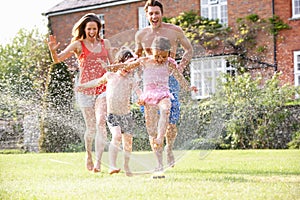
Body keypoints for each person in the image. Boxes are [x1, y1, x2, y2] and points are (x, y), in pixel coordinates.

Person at [106, 36, 197, 177]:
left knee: (166, 108)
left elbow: (180, 78)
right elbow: (126, 67)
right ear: (151, 52)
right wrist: (113, 68)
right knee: (151, 132)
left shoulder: (170, 63)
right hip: (149, 97)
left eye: (163, 56)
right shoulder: (145, 61)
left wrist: (189, 88)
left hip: (163, 93)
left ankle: (161, 137)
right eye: (157, 56)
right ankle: (159, 163)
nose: (160, 59)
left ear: (169, 53)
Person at [47, 13, 114, 173]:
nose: (92, 31)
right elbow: (58, 59)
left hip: (103, 89)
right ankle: (89, 155)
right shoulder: (78, 44)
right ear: (84, 29)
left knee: (100, 122)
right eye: (89, 28)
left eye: (94, 28)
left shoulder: (106, 43)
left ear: (99, 29)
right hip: (85, 90)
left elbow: (113, 65)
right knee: (91, 128)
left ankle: (98, 162)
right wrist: (52, 51)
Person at [135, 0, 193, 168]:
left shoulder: (175, 31)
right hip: (150, 85)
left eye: (157, 13)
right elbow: (137, 59)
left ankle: (169, 149)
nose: (154, 16)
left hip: (170, 81)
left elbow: (189, 50)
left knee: (171, 123)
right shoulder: (141, 35)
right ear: (147, 15)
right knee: (151, 124)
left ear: (162, 13)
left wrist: (180, 66)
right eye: (151, 13)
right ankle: (158, 161)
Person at [76, 47, 140, 177]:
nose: (131, 67)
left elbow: (138, 91)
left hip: (126, 115)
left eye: (133, 64)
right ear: (120, 63)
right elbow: (97, 82)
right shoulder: (110, 76)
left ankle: (126, 166)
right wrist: (82, 86)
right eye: (129, 63)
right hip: (113, 115)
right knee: (116, 136)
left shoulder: (131, 79)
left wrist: (142, 98)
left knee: (128, 143)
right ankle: (112, 166)